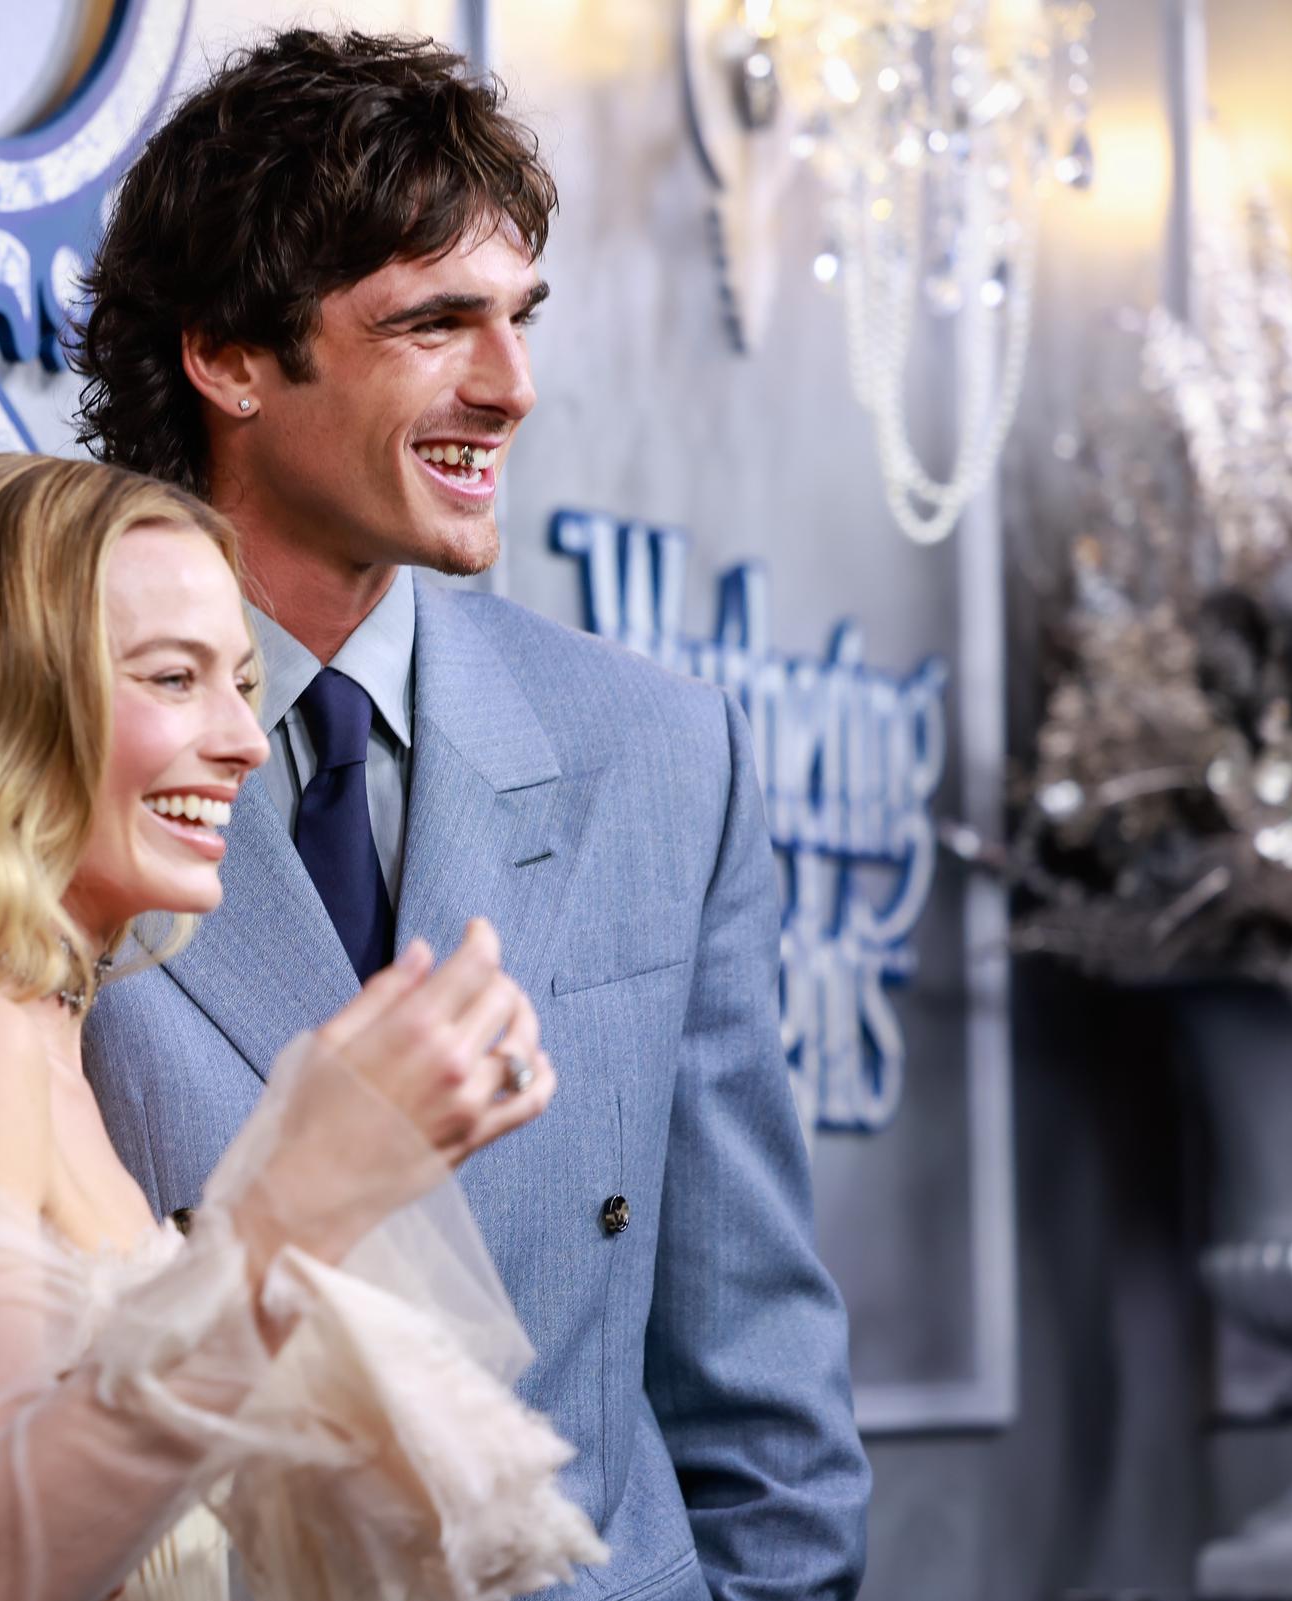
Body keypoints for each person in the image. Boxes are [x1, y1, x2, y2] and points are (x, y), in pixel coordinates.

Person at [69, 29, 873, 1601]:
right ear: (228, 356)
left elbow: (755, 1362)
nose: (508, 386)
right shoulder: (21, 744)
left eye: (520, 319)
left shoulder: (658, 751)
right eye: (437, 324)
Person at [0, 454, 607, 1601]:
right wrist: (294, 1205)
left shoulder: (35, 1036)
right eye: (173, 677)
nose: (246, 738)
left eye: (240, 681)